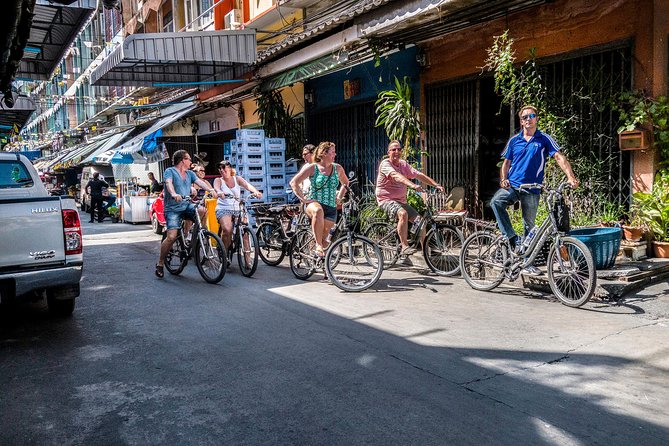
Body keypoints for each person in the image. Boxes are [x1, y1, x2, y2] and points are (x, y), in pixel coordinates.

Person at [491, 104, 579, 276]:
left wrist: (570, 176)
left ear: (536, 119)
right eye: (524, 117)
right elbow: (506, 163)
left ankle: (526, 262)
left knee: (529, 226)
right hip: (514, 185)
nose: (528, 119)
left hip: (532, 189)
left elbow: (558, 157)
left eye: (531, 116)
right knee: (496, 202)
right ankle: (512, 238)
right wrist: (503, 179)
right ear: (521, 121)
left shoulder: (544, 139)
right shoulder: (514, 140)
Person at [375, 140, 444, 256]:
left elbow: (418, 175)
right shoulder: (385, 164)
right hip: (385, 200)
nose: (397, 152)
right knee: (403, 214)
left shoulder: (403, 164)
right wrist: (412, 185)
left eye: (399, 149)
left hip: (401, 201)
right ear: (388, 152)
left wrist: (435, 184)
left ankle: (425, 250)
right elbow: (397, 176)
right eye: (393, 150)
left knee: (420, 221)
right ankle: (404, 246)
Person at [155, 150, 217, 278]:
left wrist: (211, 190)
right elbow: (169, 183)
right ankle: (160, 263)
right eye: (189, 159)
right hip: (172, 208)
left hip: (186, 205)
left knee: (201, 210)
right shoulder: (170, 171)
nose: (190, 162)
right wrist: (173, 194)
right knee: (171, 237)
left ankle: (190, 236)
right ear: (182, 160)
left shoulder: (189, 174)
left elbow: (200, 182)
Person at [289, 141, 349, 257]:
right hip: (314, 203)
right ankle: (317, 245)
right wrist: (304, 199)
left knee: (325, 241)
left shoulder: (338, 168)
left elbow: (346, 183)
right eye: (332, 152)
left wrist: (339, 197)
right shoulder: (313, 168)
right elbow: (294, 182)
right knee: (318, 211)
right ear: (323, 153)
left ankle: (323, 266)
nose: (335, 154)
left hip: (331, 207)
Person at [213, 160, 262, 254]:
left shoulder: (237, 179)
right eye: (220, 168)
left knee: (245, 233)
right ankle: (224, 253)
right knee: (227, 229)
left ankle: (248, 262)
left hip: (238, 209)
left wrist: (256, 191)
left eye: (224, 167)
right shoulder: (218, 180)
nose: (221, 170)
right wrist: (219, 192)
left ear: (230, 168)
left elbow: (247, 185)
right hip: (224, 209)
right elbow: (217, 188)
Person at [191, 163, 213, 228]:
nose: (203, 172)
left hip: (204, 206)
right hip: (193, 206)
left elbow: (212, 192)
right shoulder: (191, 183)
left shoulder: (205, 182)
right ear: (195, 172)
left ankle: (203, 231)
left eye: (204, 171)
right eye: (201, 170)